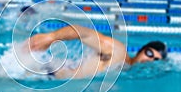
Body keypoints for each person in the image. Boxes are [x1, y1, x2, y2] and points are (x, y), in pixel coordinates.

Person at [27, 25, 167, 79]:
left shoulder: (126, 71)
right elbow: (85, 33)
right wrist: (51, 37)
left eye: (155, 59)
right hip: (41, 71)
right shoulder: (118, 52)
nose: (149, 59)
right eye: (149, 53)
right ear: (141, 50)